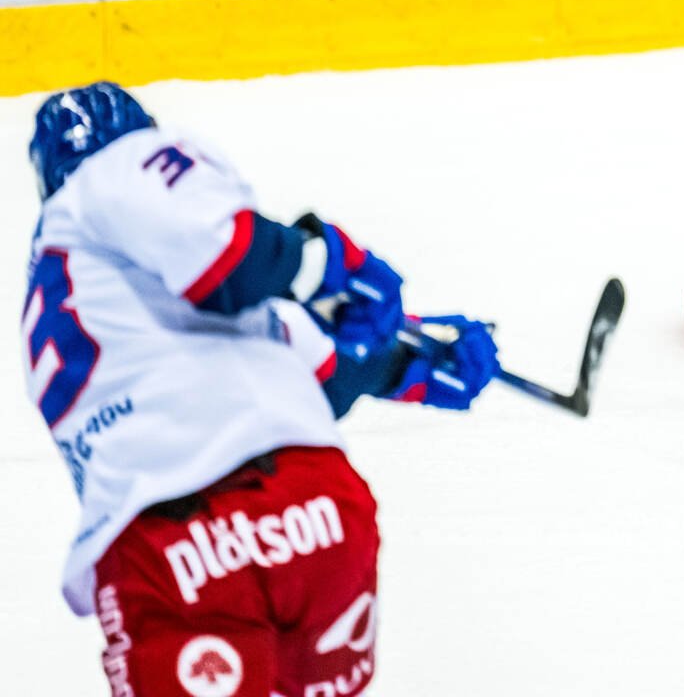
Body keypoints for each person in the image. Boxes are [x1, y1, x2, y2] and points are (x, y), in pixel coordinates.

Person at [20, 82, 499, 695]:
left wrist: (392, 344)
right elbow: (290, 330)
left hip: (175, 547)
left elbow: (235, 269)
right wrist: (354, 290)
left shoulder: (82, 276)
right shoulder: (118, 196)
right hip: (319, 515)